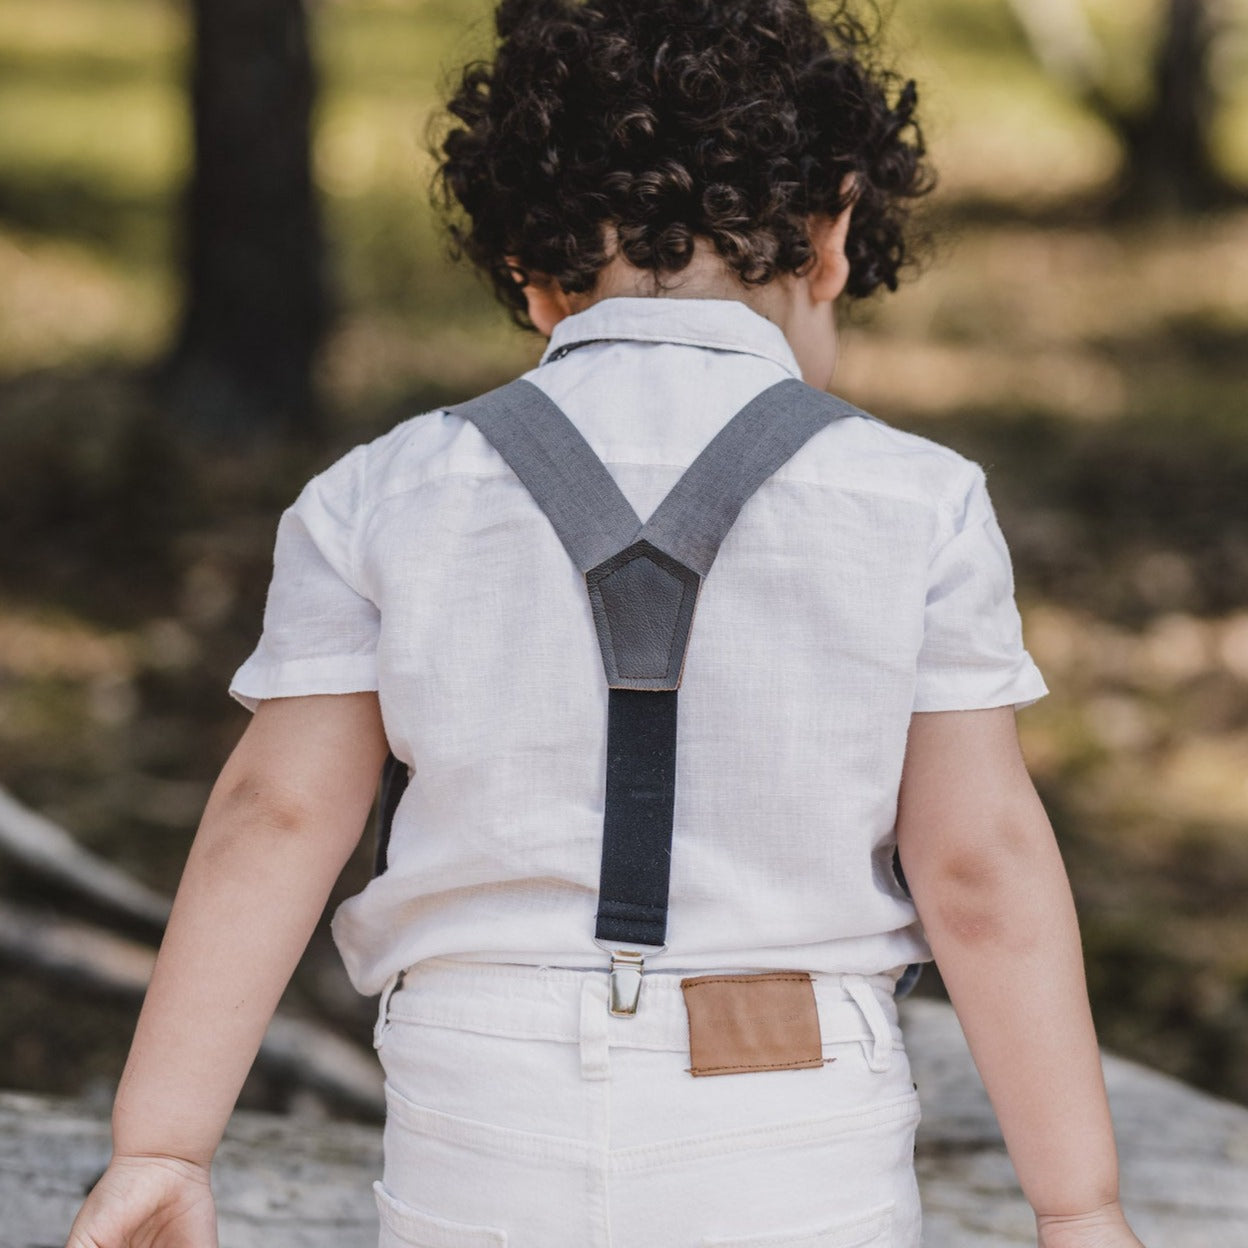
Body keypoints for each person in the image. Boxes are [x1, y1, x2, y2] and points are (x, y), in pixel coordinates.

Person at [66, 1, 1148, 1246]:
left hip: (478, 1087)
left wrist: (161, 1142)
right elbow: (981, 867)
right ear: (835, 233)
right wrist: (1081, 1204)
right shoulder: (916, 501)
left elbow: (276, 816)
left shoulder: (382, 492)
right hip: (791, 1097)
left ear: (529, 272)